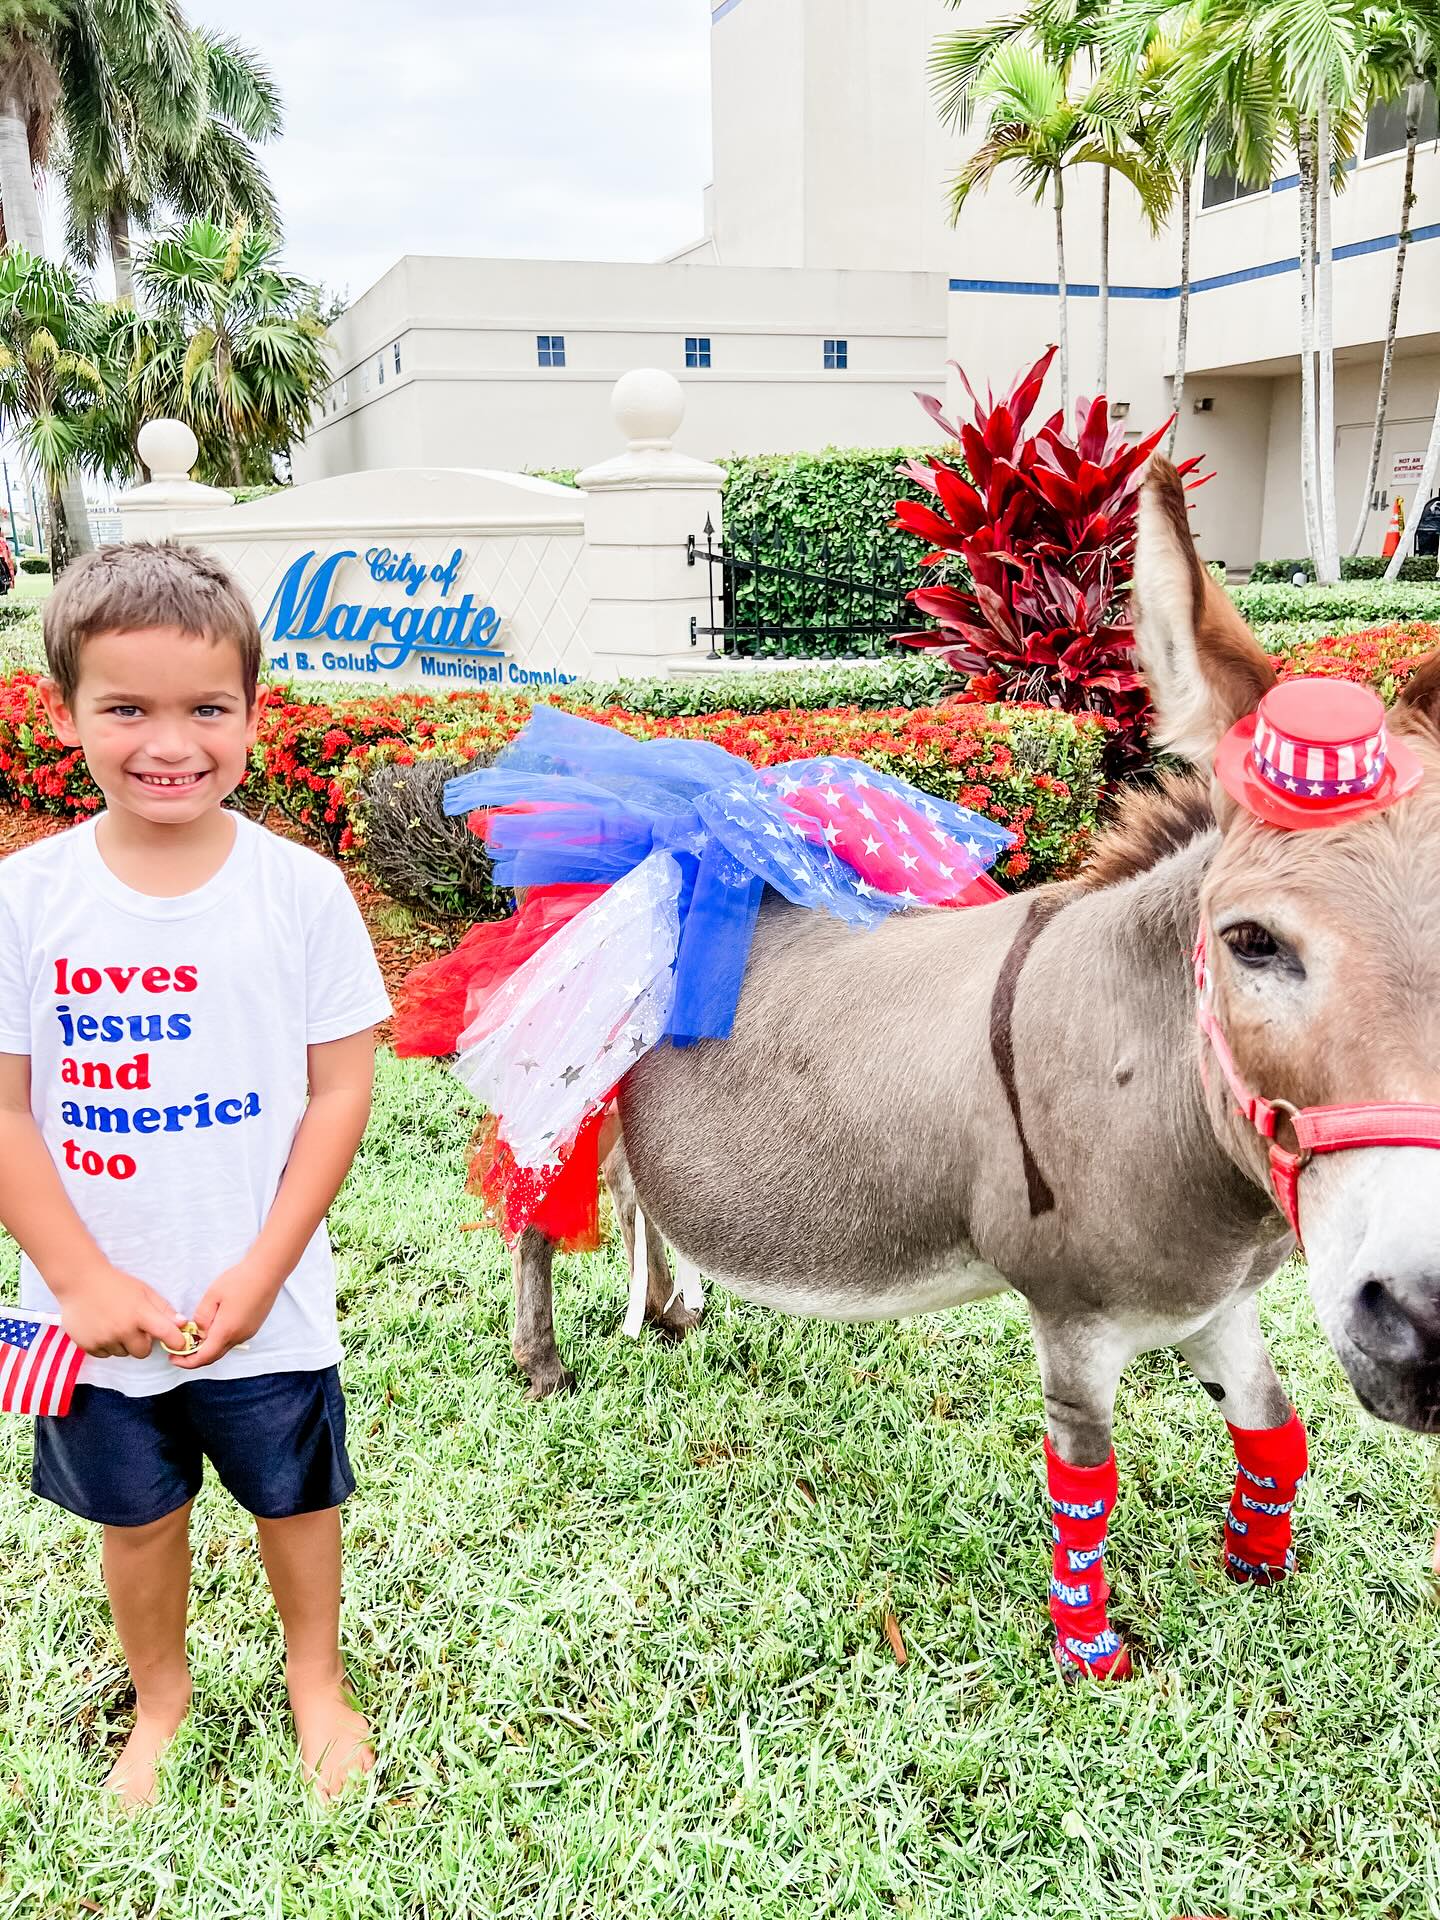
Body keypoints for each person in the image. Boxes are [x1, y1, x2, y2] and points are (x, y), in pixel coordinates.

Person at [0, 544, 390, 1805]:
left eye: (205, 708)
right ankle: (159, 1697)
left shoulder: (301, 893)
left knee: (294, 1501)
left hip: (263, 1305)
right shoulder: (25, 901)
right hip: (89, 1316)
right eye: (127, 708)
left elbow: (340, 1089)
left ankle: (315, 1682)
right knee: (138, 1516)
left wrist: (262, 1266)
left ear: (252, 714)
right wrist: (79, 1275)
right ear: (64, 712)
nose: (170, 742)